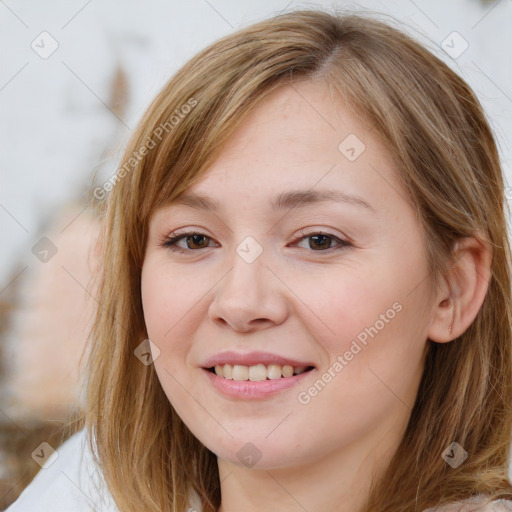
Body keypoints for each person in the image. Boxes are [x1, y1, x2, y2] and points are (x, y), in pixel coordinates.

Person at [7, 7, 512, 512]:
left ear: (453, 289)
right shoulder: (73, 493)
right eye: (193, 240)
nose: (240, 302)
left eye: (318, 241)